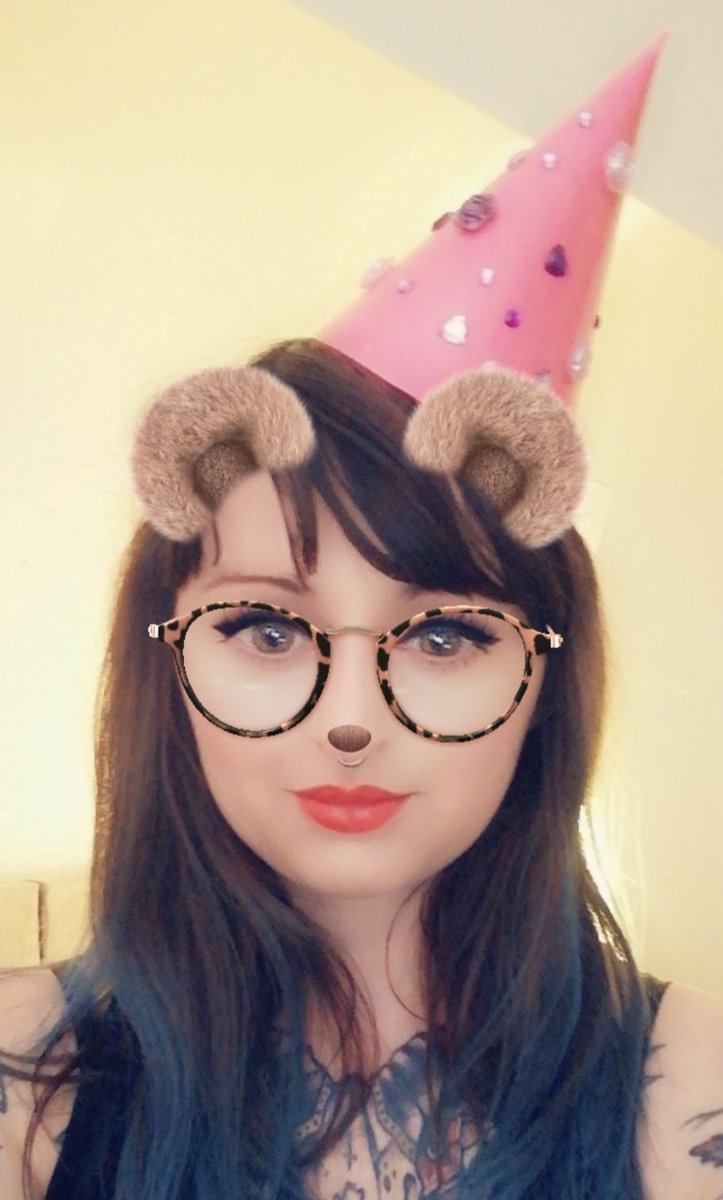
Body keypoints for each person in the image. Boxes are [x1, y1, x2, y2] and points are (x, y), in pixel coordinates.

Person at [1, 334, 721, 1200]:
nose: (350, 720)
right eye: (266, 630)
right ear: (169, 667)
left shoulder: (695, 1079)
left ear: (544, 686)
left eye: (443, 636)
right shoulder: (24, 1079)